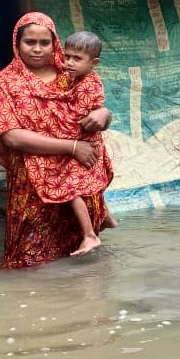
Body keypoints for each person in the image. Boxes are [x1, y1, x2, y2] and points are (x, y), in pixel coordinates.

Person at [0, 12, 113, 268]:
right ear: (16, 43)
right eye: (29, 42)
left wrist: (104, 114)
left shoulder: (70, 71)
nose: (37, 49)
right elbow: (11, 136)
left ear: (54, 42)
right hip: (31, 184)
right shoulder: (4, 83)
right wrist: (72, 147)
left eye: (44, 42)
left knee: (82, 260)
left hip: (78, 172)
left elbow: (95, 105)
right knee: (27, 260)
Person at [50, 31, 118, 255]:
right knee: (92, 182)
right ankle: (106, 218)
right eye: (67, 56)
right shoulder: (79, 78)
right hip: (87, 143)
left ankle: (89, 235)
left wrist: (52, 125)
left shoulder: (88, 86)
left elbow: (76, 119)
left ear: (93, 63)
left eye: (76, 59)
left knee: (69, 188)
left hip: (83, 144)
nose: (69, 63)